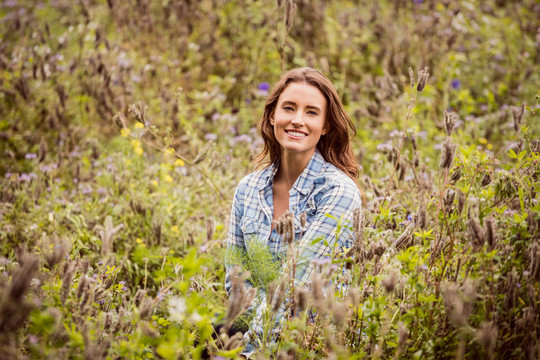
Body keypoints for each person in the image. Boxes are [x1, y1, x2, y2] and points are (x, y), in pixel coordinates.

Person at [225, 67, 362, 357]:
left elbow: (297, 287)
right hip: (248, 341)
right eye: (289, 108)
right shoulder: (247, 190)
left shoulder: (338, 192)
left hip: (310, 345)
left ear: (325, 125)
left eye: (312, 112)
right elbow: (236, 283)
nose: (297, 120)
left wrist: (248, 352)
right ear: (273, 115)